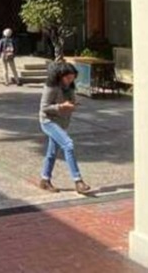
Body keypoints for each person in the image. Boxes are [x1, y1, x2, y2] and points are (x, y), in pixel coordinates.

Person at [38, 61, 91, 195]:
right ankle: (78, 181)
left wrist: (73, 104)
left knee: (52, 153)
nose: (70, 80)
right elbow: (44, 108)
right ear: (60, 76)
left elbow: (71, 102)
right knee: (68, 144)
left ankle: (45, 180)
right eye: (68, 77)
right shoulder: (51, 87)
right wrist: (61, 107)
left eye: (73, 77)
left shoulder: (70, 87)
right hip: (49, 122)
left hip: (62, 123)